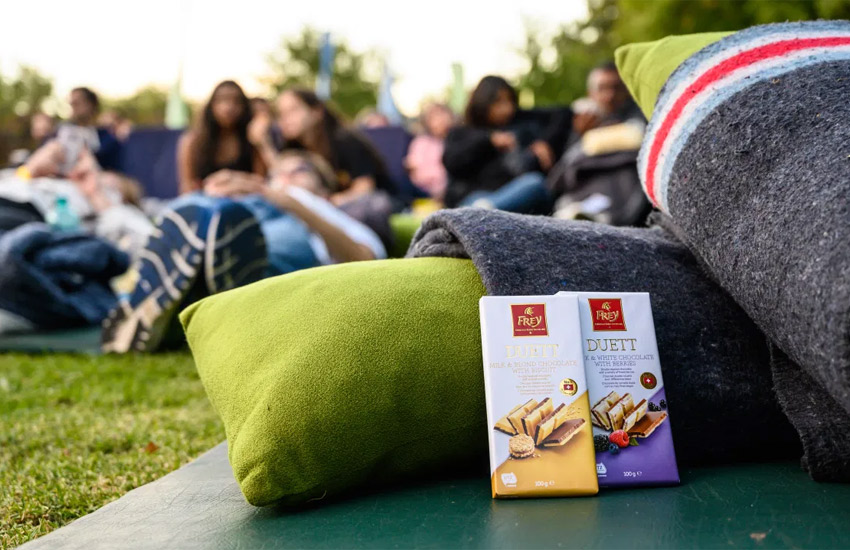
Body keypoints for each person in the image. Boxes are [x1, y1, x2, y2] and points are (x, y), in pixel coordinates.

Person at [101, 149, 386, 354]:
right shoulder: (258, 193)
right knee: (209, 213)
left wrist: (290, 202)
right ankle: (191, 283)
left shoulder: (329, 210)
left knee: (244, 234)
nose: (284, 178)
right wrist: (224, 188)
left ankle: (163, 295)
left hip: (291, 231)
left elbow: (366, 258)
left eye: (297, 171)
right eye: (277, 174)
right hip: (238, 212)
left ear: (325, 187)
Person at [250, 88, 395, 246]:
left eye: (293, 110)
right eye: (281, 114)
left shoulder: (344, 140)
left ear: (317, 112)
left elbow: (365, 187)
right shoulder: (294, 146)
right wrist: (264, 144)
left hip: (371, 205)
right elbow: (282, 174)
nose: (285, 119)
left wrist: (326, 203)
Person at [441, 75, 570, 213]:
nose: (507, 108)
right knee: (480, 203)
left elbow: (563, 113)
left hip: (516, 194)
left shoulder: (520, 123)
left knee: (534, 183)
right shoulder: (462, 132)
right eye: (499, 102)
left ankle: (483, 213)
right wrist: (489, 141)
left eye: (510, 101)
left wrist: (545, 142)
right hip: (475, 197)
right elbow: (452, 162)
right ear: (483, 102)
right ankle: (483, 212)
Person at [177, 80, 266, 194]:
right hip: (204, 202)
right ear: (211, 105)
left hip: (244, 201)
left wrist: (231, 179)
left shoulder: (251, 141)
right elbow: (186, 188)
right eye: (222, 100)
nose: (229, 107)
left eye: (236, 101)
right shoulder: (192, 141)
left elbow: (260, 183)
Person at [571, 61, 645, 138]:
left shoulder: (639, 112)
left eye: (616, 88)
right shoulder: (576, 117)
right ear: (590, 93)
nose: (610, 95)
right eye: (602, 88)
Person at [404, 103, 454, 202]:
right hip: (424, 192)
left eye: (442, 116)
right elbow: (414, 169)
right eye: (435, 118)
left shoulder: (454, 142)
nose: (440, 121)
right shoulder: (421, 143)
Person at [65, 87, 123, 171]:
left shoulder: (106, 137)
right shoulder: (63, 132)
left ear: (90, 105)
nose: (73, 107)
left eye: (76, 103)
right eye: (71, 103)